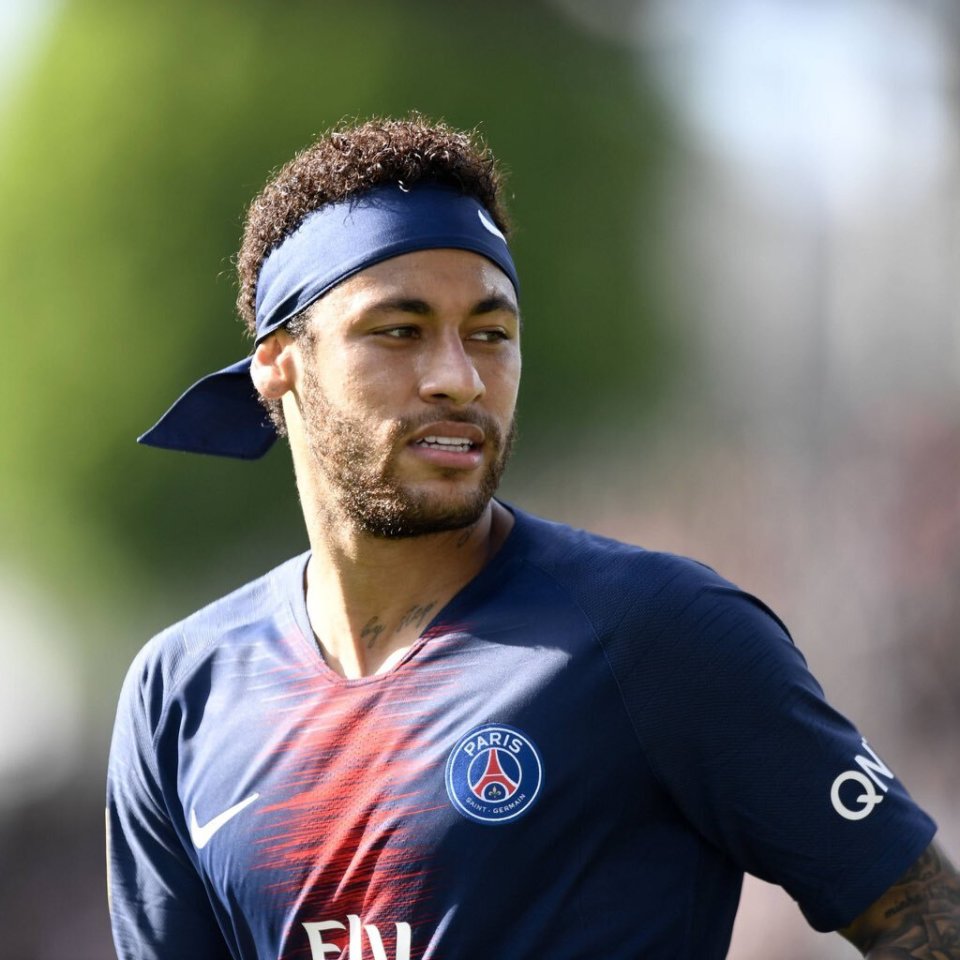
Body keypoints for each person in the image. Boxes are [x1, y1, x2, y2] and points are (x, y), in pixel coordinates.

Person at [106, 115, 959, 960]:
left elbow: (927, 924)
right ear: (278, 362)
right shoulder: (180, 694)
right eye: (399, 331)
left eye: (491, 335)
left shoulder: (660, 634)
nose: (459, 379)